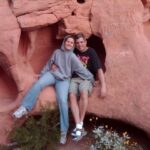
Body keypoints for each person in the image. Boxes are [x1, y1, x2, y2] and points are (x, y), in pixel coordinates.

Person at [12, 35, 94, 144]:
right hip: (52, 74)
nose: (69, 43)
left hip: (64, 80)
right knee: (39, 84)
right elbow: (49, 64)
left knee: (63, 101)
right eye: (67, 41)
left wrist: (92, 78)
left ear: (73, 45)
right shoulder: (57, 52)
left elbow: (81, 69)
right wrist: (42, 74)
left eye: (71, 43)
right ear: (64, 42)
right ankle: (24, 107)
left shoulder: (73, 57)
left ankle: (63, 132)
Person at [69, 33, 107, 141]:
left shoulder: (91, 52)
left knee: (83, 92)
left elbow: (99, 69)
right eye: (77, 43)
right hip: (74, 78)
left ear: (85, 42)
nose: (80, 45)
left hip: (87, 79)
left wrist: (103, 86)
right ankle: (78, 126)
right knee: (71, 95)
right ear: (75, 45)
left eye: (81, 42)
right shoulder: (74, 52)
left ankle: (80, 122)